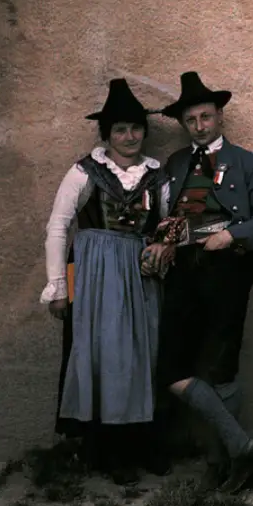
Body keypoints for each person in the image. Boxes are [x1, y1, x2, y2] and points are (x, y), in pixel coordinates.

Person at [141, 71, 253, 493]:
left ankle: (221, 462)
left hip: (228, 269)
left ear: (219, 115)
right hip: (184, 270)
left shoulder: (247, 163)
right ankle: (244, 446)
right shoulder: (176, 164)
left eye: (206, 117)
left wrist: (231, 235)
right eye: (191, 121)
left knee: (222, 368)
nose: (200, 127)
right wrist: (162, 243)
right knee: (170, 369)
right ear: (184, 125)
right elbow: (166, 216)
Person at [41, 78, 165, 484]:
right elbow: (58, 226)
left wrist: (160, 248)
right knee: (103, 354)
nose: (129, 137)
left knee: (140, 353)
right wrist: (58, 287)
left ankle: (140, 441)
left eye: (135, 128)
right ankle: (106, 449)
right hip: (94, 276)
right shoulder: (85, 172)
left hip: (140, 274)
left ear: (144, 132)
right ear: (106, 135)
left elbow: (166, 227)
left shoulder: (156, 175)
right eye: (119, 130)